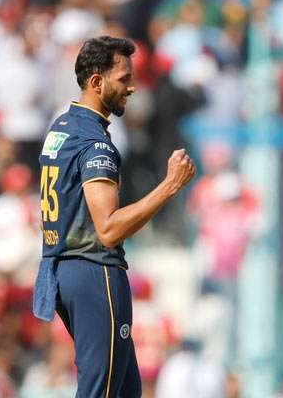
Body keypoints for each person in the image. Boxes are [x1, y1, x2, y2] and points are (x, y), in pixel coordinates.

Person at [33, 36, 196, 397]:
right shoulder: (95, 144)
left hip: (64, 269)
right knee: (102, 391)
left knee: (125, 390)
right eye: (123, 79)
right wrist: (170, 185)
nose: (132, 87)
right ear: (97, 82)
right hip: (95, 272)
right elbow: (108, 229)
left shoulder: (61, 127)